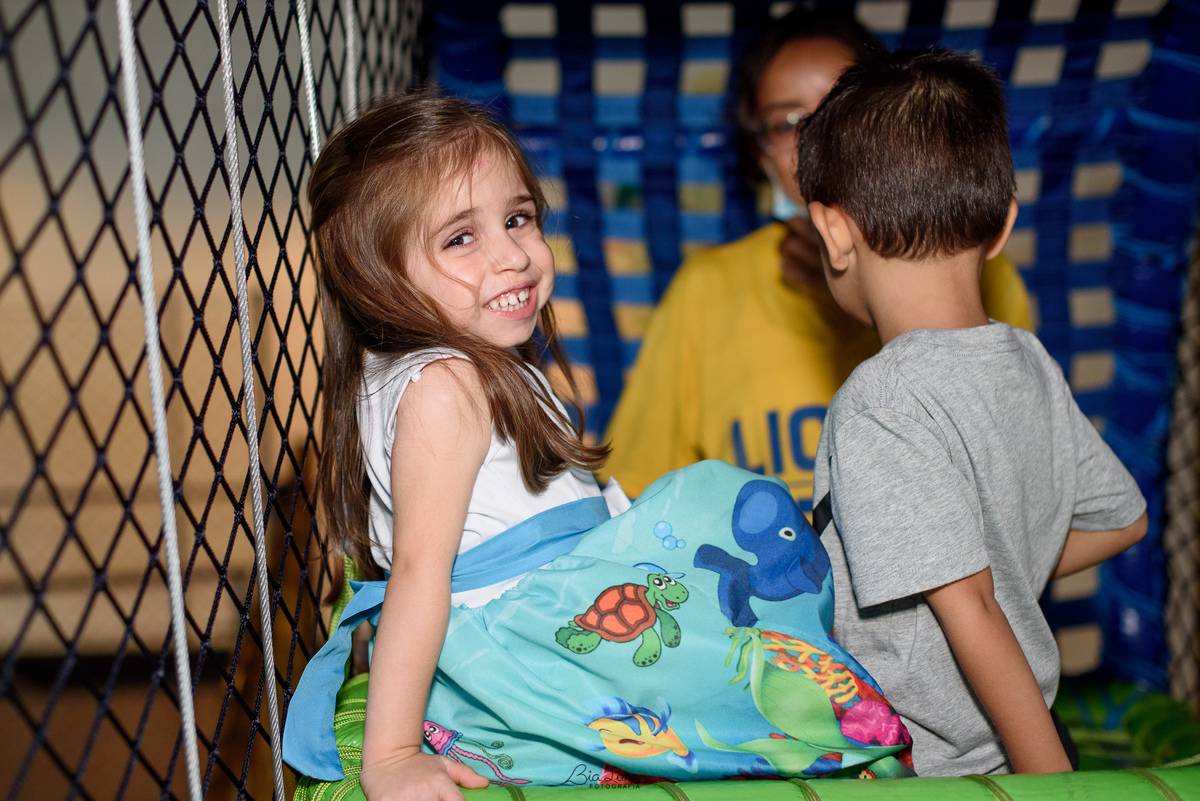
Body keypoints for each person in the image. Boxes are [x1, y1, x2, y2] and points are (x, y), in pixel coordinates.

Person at [281, 91, 916, 801]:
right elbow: (417, 575)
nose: (513, 256)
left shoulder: (462, 366)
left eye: (517, 218)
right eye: (461, 238)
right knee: (726, 510)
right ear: (377, 276)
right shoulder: (443, 387)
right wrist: (393, 753)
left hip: (563, 621)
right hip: (537, 648)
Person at [798, 49, 1148, 777]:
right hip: (1020, 737)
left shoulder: (883, 398)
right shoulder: (1028, 360)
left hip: (927, 768)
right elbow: (1122, 520)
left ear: (833, 231)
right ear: (1001, 226)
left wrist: (1051, 785)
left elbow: (974, 607)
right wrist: (1001, 558)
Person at [602, 8, 1032, 511]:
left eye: (839, 109)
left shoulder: (977, 270)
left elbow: (1016, 480)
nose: (815, 140)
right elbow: (637, 495)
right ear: (760, 154)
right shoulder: (706, 290)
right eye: (788, 122)